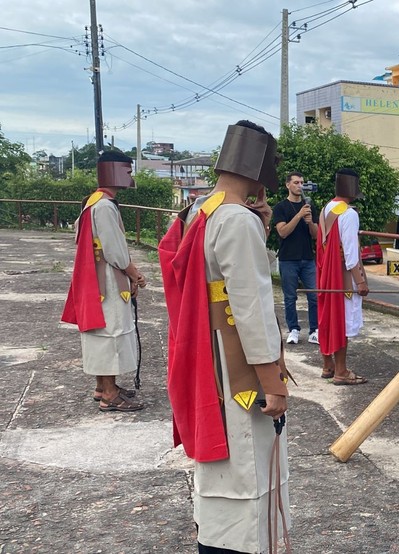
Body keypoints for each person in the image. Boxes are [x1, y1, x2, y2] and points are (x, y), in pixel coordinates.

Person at [158, 120, 291, 553]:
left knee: (220, 470)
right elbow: (250, 305)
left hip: (207, 349)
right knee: (248, 465)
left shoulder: (200, 209)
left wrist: (263, 229)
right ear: (258, 171)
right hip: (237, 361)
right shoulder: (236, 218)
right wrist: (272, 380)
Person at [61, 150, 146, 412]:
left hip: (94, 279)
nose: (131, 176)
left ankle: (102, 386)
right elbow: (115, 251)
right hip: (107, 281)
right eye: (128, 171)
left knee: (100, 332)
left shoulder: (91, 201)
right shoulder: (105, 206)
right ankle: (110, 393)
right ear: (116, 171)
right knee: (111, 332)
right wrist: (135, 274)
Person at [317, 169, 369, 385]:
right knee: (341, 319)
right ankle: (341, 371)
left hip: (325, 272)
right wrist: (361, 281)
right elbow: (350, 252)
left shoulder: (326, 208)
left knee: (328, 316)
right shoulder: (349, 213)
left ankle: (328, 365)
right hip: (342, 276)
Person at [271, 171, 319, 345]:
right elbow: (283, 232)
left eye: (302, 182)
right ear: (288, 185)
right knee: (290, 297)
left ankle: (315, 330)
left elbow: (315, 235)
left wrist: (310, 222)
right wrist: (298, 216)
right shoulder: (280, 208)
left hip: (307, 258)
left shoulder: (309, 206)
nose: (300, 186)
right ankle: (293, 329)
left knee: (314, 295)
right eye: (296, 182)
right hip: (288, 259)